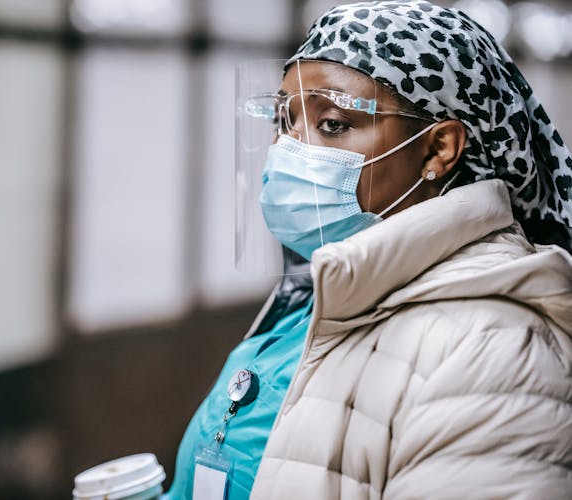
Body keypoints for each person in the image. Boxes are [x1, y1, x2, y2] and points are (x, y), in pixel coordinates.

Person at [165, 1, 572, 498]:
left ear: (438, 149)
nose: (288, 150)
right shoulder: (319, 302)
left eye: (333, 123)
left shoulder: (494, 350)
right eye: (286, 121)